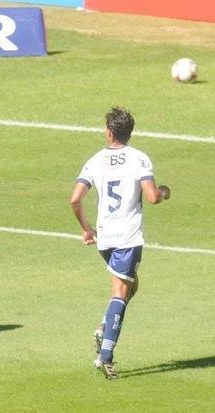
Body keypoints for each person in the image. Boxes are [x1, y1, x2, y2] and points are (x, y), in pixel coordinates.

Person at [69, 106, 170, 380]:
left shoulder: (95, 160)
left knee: (130, 286)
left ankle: (104, 327)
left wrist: (87, 229)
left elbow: (75, 199)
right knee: (121, 293)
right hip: (127, 237)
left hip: (105, 238)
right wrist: (163, 192)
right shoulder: (138, 158)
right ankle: (106, 356)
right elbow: (151, 197)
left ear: (109, 132)